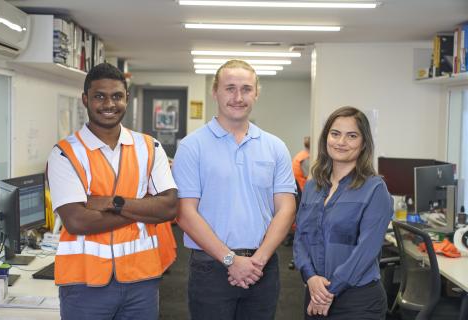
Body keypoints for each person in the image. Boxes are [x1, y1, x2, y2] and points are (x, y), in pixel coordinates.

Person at [47, 62, 178, 320]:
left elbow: (170, 207)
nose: (109, 104)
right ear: (85, 100)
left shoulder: (150, 147)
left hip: (142, 280)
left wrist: (112, 202)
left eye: (117, 96)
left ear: (127, 99)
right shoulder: (65, 153)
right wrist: (144, 207)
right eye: (100, 96)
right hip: (85, 284)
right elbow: (77, 221)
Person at [172, 59, 296, 320]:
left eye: (246, 89)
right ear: (215, 91)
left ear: (257, 93)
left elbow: (285, 208)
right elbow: (185, 213)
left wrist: (258, 260)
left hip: (262, 267)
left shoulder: (275, 147)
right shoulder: (192, 147)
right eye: (230, 88)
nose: (238, 97)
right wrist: (230, 260)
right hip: (211, 266)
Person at [293, 106, 393, 319]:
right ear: (326, 138)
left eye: (352, 136)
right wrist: (310, 277)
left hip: (357, 301)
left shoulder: (374, 189)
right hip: (313, 293)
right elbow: (300, 238)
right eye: (335, 134)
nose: (341, 142)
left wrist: (328, 291)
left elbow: (366, 251)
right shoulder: (313, 186)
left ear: (364, 142)